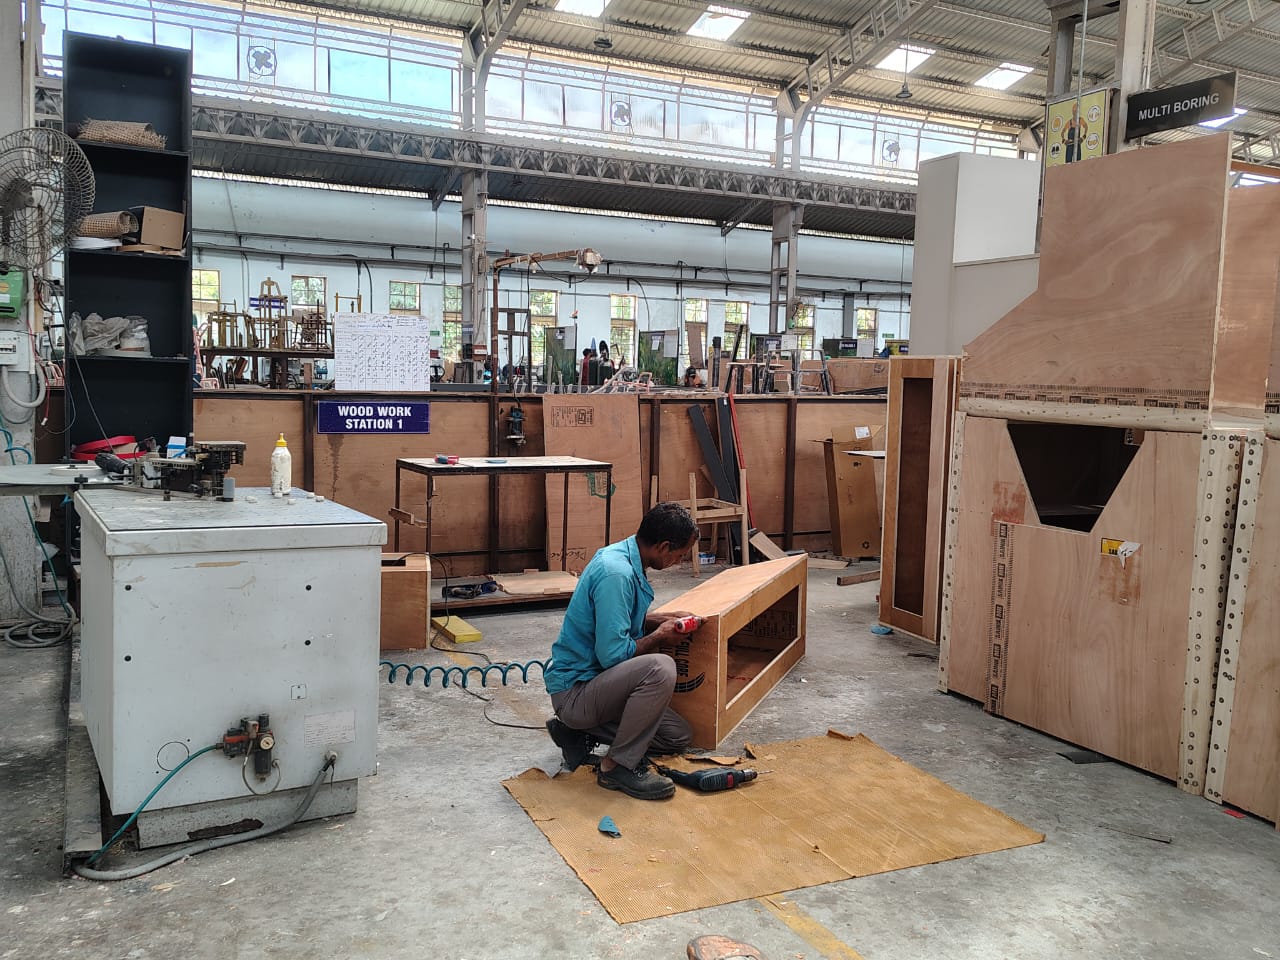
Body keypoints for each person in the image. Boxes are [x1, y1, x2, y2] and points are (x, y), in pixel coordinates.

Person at [544, 502, 700, 800]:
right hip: (577, 692)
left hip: (596, 688)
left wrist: (659, 619)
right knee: (660, 667)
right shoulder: (616, 573)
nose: (678, 563)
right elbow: (613, 655)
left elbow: (614, 622)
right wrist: (659, 636)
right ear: (664, 546)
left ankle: (577, 734)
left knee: (676, 736)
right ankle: (615, 767)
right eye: (679, 556)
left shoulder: (626, 558)